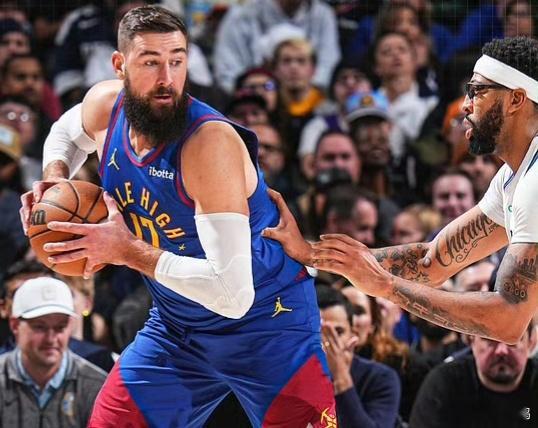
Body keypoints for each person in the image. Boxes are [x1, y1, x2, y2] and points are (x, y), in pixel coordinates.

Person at [20, 6, 334, 427]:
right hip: (177, 329)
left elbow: (232, 296)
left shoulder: (209, 144)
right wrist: (55, 180)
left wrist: (127, 251)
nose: (166, 78)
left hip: (269, 328)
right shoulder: (106, 105)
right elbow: (65, 131)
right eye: (150, 62)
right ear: (120, 65)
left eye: (177, 61)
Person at [263, 36, 538, 345]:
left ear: (516, 99)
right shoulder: (513, 175)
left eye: (477, 91)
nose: (465, 105)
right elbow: (431, 261)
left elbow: (508, 319)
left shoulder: (534, 181)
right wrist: (312, 254)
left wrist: (387, 286)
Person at [0, 277, 106, 427]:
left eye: (60, 327)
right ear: (15, 325)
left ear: (70, 325)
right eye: (40, 327)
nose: (51, 339)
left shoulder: (96, 386)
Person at [410, 321, 538, 428]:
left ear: (531, 342)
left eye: (513, 340)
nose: (501, 350)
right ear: (471, 340)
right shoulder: (444, 383)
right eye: (490, 339)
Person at [317, 285, 401, 428]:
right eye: (317, 332)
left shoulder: (380, 378)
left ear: (352, 334)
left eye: (338, 332)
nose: (326, 342)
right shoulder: (287, 375)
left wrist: (341, 379)